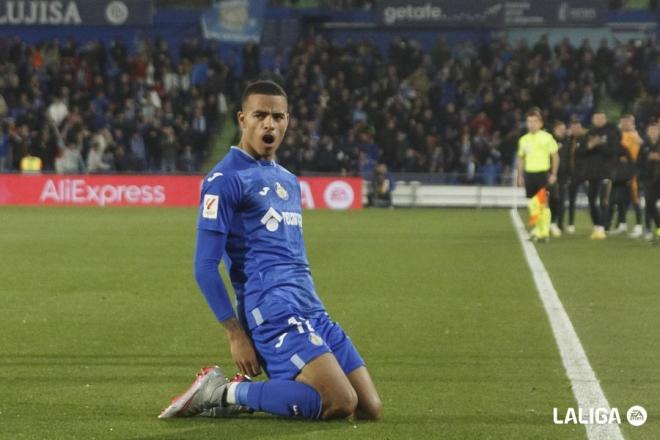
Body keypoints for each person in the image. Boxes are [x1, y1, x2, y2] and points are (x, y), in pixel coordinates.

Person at [159, 80, 382, 421]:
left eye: (277, 116)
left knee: (370, 408)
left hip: (310, 307)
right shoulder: (225, 178)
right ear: (242, 119)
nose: (269, 124)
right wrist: (235, 332)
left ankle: (262, 393)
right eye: (259, 115)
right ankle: (222, 392)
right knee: (339, 402)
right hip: (271, 311)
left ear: (287, 121)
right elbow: (205, 265)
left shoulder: (288, 180)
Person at [516, 108, 559, 241]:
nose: (532, 124)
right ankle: (538, 228)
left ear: (540, 123)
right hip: (530, 174)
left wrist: (553, 174)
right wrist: (520, 175)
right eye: (529, 121)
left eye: (535, 121)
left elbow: (555, 156)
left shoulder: (547, 137)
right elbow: (521, 158)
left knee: (543, 202)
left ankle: (543, 231)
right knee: (534, 203)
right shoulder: (524, 140)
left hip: (542, 174)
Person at [579, 111, 618, 240]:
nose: (599, 120)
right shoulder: (587, 134)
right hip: (590, 173)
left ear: (605, 119)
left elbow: (613, 151)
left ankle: (602, 227)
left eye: (602, 118)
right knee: (591, 201)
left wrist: (599, 145)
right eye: (597, 118)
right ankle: (596, 225)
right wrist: (590, 145)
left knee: (604, 201)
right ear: (593, 119)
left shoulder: (611, 133)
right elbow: (580, 152)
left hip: (606, 172)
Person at [609, 114, 643, 237]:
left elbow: (637, 154)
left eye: (628, 122)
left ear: (632, 123)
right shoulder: (621, 135)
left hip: (633, 171)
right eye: (623, 122)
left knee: (635, 198)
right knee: (621, 199)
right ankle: (622, 225)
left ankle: (639, 226)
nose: (625, 124)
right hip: (621, 171)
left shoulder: (634, 136)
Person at [563, 116, 588, 233]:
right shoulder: (568, 140)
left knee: (592, 199)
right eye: (573, 128)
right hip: (572, 174)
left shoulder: (585, 139)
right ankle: (571, 224)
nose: (575, 130)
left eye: (577, 128)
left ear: (581, 128)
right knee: (571, 200)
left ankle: (599, 225)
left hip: (585, 174)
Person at [638, 120, 660, 244]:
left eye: (655, 130)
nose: (653, 132)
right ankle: (657, 228)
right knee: (650, 204)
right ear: (647, 132)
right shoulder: (644, 145)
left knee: (651, 204)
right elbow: (638, 162)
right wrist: (641, 176)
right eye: (651, 130)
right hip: (649, 179)